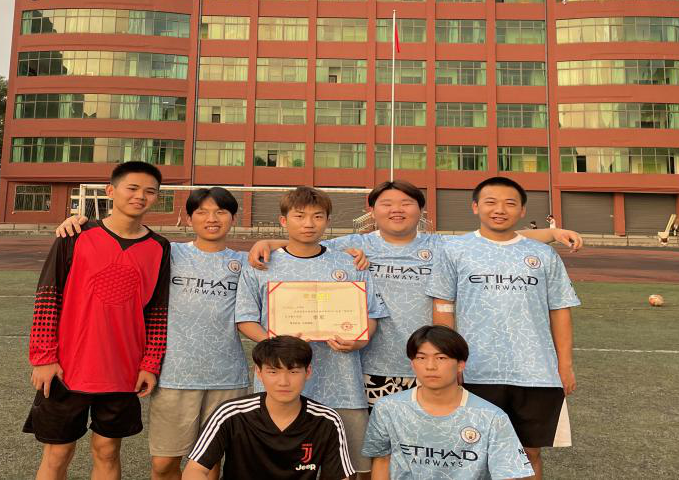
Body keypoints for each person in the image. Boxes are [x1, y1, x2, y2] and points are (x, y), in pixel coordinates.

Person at [249, 181, 583, 408]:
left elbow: (492, 238)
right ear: (373, 211)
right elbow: (306, 242)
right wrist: (268, 243)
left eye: (406, 203)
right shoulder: (353, 245)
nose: (397, 210)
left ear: (420, 210)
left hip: (426, 364)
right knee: (373, 448)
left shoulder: (441, 245)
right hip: (368, 364)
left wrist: (551, 233)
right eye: (387, 204)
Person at [53, 188, 251, 480]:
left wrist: (270, 242)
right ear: (188, 218)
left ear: (233, 218)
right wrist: (78, 224)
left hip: (227, 376)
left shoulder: (246, 261)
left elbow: (295, 250)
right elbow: (126, 236)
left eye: (221, 212)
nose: (212, 219)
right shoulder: (168, 251)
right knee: (163, 464)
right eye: (202, 212)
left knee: (210, 463)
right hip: (173, 375)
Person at [24, 161, 171, 480]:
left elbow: (158, 311)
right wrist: (44, 357)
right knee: (57, 453)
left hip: (122, 370)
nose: (140, 196)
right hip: (68, 368)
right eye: (132, 188)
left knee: (107, 450)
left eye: (149, 191)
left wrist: (150, 363)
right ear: (110, 191)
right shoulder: (75, 233)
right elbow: (48, 296)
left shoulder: (160, 247)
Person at [427, 177, 579, 480]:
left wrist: (565, 365)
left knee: (528, 452)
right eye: (490, 202)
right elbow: (443, 307)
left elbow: (560, 310)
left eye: (510, 203)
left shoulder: (544, 255)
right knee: (470, 452)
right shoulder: (454, 249)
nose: (499, 209)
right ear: (475, 207)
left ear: (522, 211)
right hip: (476, 369)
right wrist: (448, 359)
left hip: (536, 371)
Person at [236, 186, 389, 477]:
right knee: (278, 466)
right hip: (282, 383)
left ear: (327, 220)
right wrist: (276, 343)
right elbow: (245, 319)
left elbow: (371, 315)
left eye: (317, 216)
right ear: (284, 221)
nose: (309, 223)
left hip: (341, 382)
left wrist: (358, 341)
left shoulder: (349, 262)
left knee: (350, 468)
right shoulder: (261, 264)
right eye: (299, 216)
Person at [363, 325, 533, 479]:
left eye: (441, 358)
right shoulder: (387, 408)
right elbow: (382, 460)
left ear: (461, 365)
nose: (430, 366)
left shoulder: (492, 417)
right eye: (421, 358)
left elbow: (507, 474)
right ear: (412, 364)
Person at [183, 336, 354, 479]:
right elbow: (194, 471)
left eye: (293, 372)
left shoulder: (327, 420)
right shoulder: (231, 413)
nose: (283, 382)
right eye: (273, 371)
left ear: (308, 372)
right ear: (259, 372)